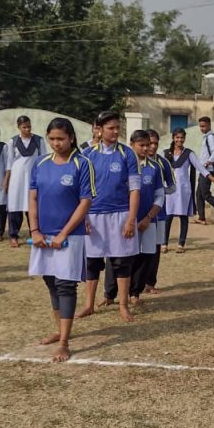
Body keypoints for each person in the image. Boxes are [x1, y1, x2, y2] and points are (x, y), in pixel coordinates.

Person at [27, 117, 94, 362]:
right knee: (51, 281)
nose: (56, 143)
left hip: (70, 236)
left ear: (71, 138)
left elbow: (85, 202)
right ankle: (60, 330)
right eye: (52, 139)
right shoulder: (40, 163)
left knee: (66, 285)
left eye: (61, 139)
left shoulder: (82, 164)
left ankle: (65, 342)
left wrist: (64, 233)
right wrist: (34, 230)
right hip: (43, 235)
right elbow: (33, 197)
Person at [79, 111, 140, 323]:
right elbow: (81, 190)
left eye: (117, 128)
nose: (115, 132)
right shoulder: (87, 154)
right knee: (92, 262)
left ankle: (123, 305)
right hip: (93, 215)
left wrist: (131, 219)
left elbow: (134, 189)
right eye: (110, 128)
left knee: (122, 261)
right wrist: (83, 217)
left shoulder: (127, 154)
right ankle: (88, 305)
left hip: (120, 214)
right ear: (99, 129)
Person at [163, 127, 214, 253]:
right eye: (177, 137)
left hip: (183, 190)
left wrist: (213, 179)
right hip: (169, 190)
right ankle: (164, 243)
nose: (179, 140)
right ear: (173, 138)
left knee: (183, 216)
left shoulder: (188, 153)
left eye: (182, 137)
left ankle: (181, 244)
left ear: (184, 139)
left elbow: (200, 168)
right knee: (167, 216)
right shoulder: (165, 153)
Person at [128, 130, 165, 303]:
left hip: (148, 221)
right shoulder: (124, 165)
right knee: (124, 257)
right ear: (132, 145)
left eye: (147, 145)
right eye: (141, 145)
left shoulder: (155, 167)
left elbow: (160, 196)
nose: (146, 148)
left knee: (145, 257)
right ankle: (112, 293)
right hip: (126, 220)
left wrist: (148, 217)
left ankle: (135, 293)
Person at [4, 115, 46, 247]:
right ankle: (13, 235)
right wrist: (6, 180)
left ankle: (34, 233)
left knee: (32, 206)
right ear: (18, 127)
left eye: (29, 126)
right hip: (16, 179)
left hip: (33, 177)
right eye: (24, 127)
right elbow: (9, 163)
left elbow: (43, 160)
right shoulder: (13, 141)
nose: (27, 129)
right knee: (15, 206)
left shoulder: (39, 140)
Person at [143, 129, 175, 292]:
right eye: (149, 143)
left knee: (155, 249)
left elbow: (172, 187)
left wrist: (159, 192)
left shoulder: (163, 163)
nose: (152, 147)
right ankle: (135, 285)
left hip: (159, 214)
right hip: (139, 213)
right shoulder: (134, 161)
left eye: (155, 143)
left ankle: (150, 283)